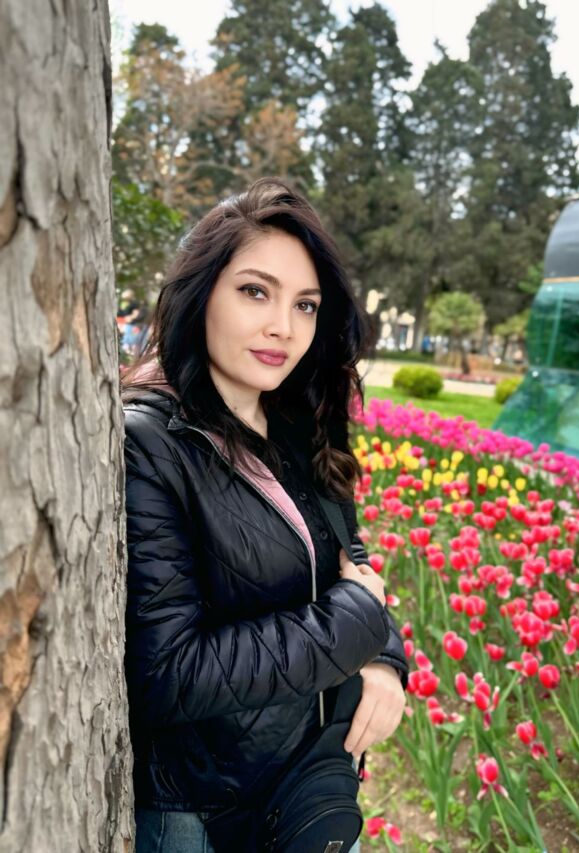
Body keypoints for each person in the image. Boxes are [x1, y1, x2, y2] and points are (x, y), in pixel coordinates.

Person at [121, 178, 409, 853]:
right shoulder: (149, 443)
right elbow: (168, 672)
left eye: (305, 304)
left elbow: (351, 565)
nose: (284, 325)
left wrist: (383, 658)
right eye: (256, 291)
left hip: (310, 790)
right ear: (201, 294)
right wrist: (358, 625)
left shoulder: (292, 424)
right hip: (210, 817)